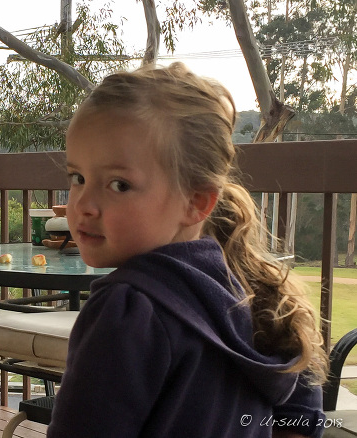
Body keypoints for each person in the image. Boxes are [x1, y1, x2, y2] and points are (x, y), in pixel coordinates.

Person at [48, 63, 327, 438]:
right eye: (78, 178)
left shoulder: (127, 308)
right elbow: (303, 421)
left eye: (119, 185)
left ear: (196, 202)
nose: (83, 204)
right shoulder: (254, 292)